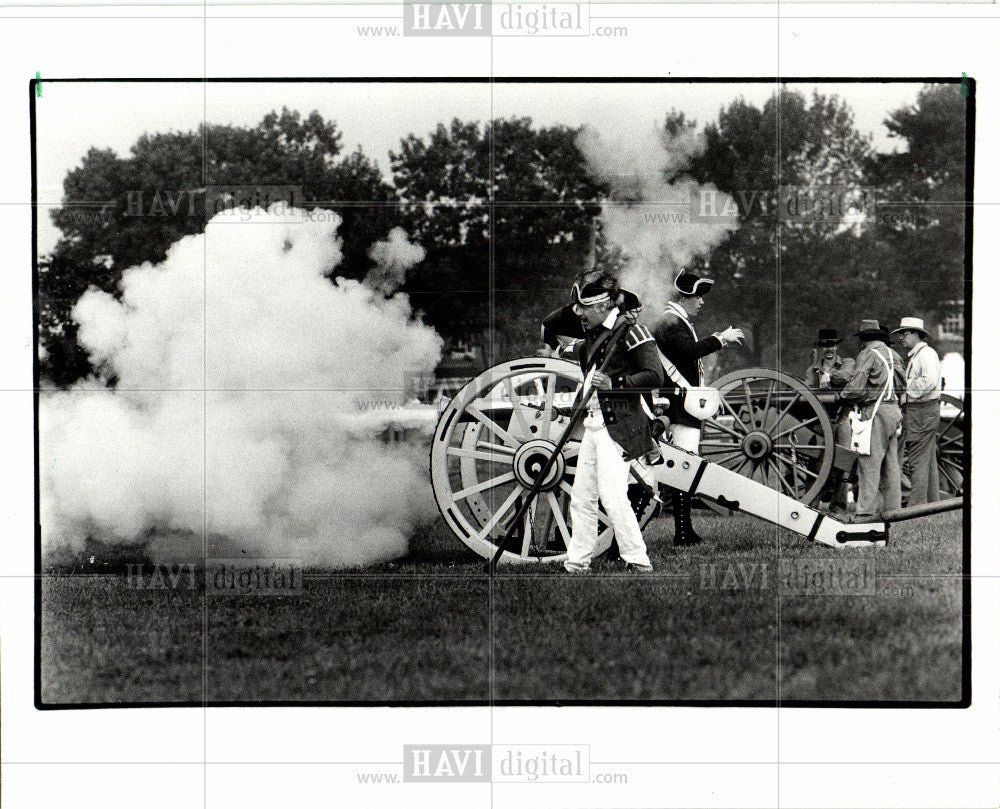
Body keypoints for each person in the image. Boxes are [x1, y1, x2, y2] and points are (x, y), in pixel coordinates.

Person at [563, 278, 664, 574]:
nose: (579, 313)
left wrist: (613, 383)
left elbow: (654, 376)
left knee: (614, 498)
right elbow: (558, 322)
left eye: (585, 307)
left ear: (604, 305)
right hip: (594, 424)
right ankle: (578, 562)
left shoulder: (634, 333)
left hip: (619, 425)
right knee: (581, 499)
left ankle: (638, 560)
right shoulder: (593, 336)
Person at [652, 269, 744, 545]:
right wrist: (720, 339)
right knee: (685, 466)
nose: (702, 303)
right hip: (679, 404)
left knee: (685, 466)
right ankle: (682, 532)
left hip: (681, 402)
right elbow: (688, 352)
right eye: (698, 297)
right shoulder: (670, 322)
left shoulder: (675, 321)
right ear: (685, 297)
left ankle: (684, 530)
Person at [838, 319, 906, 523]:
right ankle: (893, 511)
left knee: (868, 463)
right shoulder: (894, 355)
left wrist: (842, 395)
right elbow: (903, 387)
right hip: (894, 411)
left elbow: (857, 387)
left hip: (875, 412)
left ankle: (865, 514)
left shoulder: (868, 354)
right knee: (891, 465)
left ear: (863, 339)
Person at [803, 328, 856, 511]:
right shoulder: (813, 369)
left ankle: (838, 506)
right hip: (819, 422)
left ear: (836, 346)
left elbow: (848, 376)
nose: (829, 349)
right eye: (825, 345)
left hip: (841, 419)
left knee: (843, 465)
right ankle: (811, 505)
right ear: (820, 347)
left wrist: (829, 376)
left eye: (832, 345)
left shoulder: (847, 363)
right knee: (816, 463)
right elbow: (806, 391)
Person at [891, 316, 942, 505]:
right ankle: (933, 504)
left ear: (916, 334)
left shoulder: (926, 354)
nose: (901, 338)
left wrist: (906, 388)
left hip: (921, 410)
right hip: (923, 410)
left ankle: (916, 507)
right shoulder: (920, 354)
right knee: (927, 461)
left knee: (917, 460)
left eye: (904, 333)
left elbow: (928, 381)